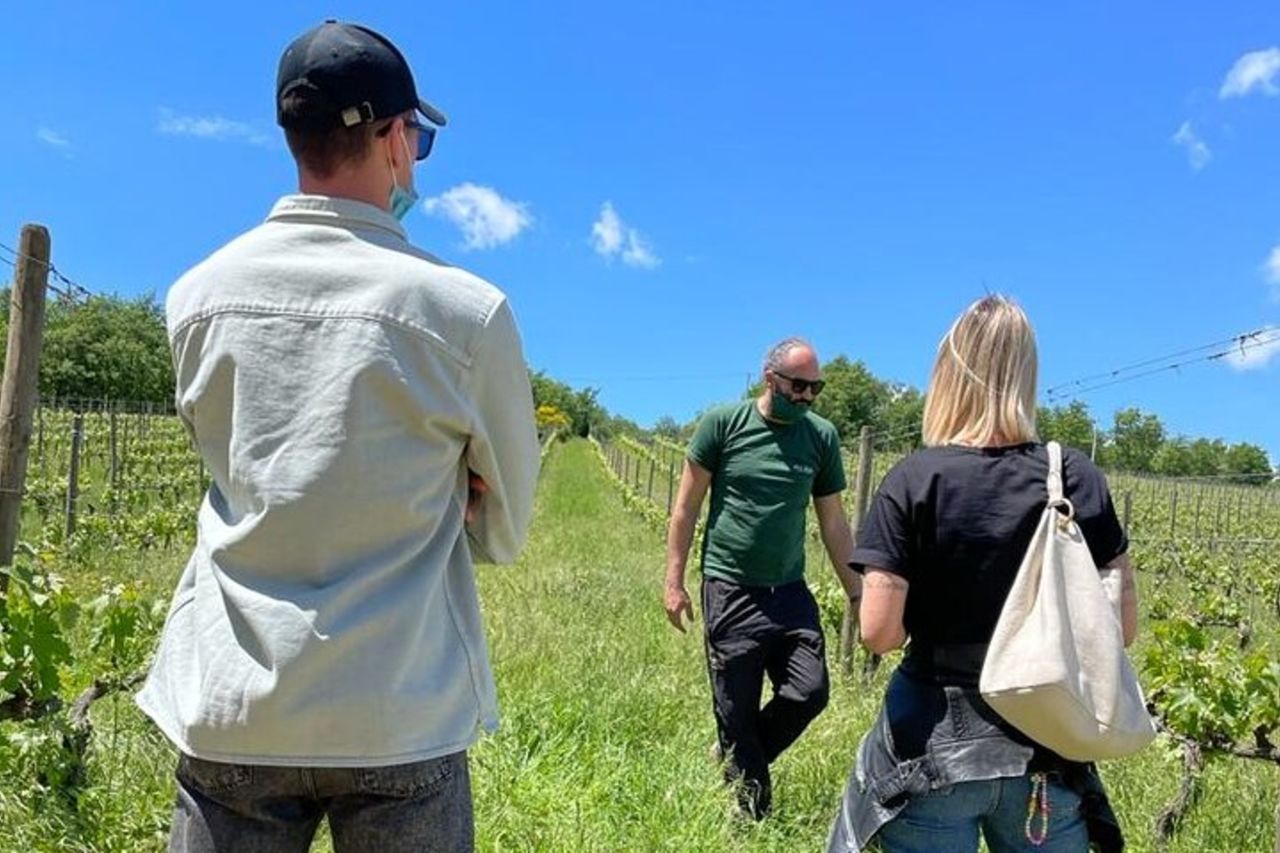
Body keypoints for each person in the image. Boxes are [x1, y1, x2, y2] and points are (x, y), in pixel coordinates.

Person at [136, 20, 540, 852]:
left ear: (296, 139)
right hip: (402, 703)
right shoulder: (465, 313)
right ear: (394, 140)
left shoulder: (195, 299)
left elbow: (234, 467)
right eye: (418, 139)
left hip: (236, 699)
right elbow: (507, 524)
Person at [826, 295, 1137, 853]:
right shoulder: (1074, 478)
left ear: (949, 373)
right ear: (1027, 373)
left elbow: (878, 632)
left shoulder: (915, 480)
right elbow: (1119, 628)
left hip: (933, 746)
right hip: (1047, 746)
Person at [664, 337, 862, 819]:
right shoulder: (723, 425)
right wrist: (674, 581)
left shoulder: (821, 437)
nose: (808, 396)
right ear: (769, 378)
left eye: (816, 387)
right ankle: (753, 819)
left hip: (789, 591)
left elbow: (834, 523)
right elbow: (687, 508)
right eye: (799, 385)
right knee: (736, 708)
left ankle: (734, 757)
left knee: (809, 692)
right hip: (730, 587)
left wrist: (858, 591)